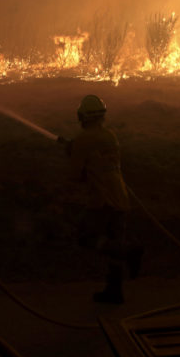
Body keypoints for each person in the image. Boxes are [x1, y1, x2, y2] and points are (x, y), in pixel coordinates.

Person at [58, 95, 143, 304]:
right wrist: (76, 149)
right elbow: (99, 159)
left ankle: (128, 252)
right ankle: (115, 291)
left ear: (82, 116)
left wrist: (72, 152)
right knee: (114, 239)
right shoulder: (109, 135)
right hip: (120, 196)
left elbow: (76, 176)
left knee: (86, 237)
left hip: (102, 200)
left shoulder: (83, 140)